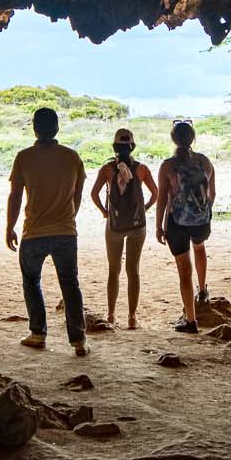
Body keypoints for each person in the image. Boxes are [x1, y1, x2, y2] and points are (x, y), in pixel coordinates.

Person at [5, 107, 88, 355]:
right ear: (57, 128)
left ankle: (38, 334)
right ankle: (78, 340)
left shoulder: (24, 157)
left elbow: (15, 195)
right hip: (65, 231)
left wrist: (9, 226)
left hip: (34, 232)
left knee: (31, 281)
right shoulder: (72, 157)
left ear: (34, 128)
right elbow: (77, 194)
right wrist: (68, 217)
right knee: (70, 284)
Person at [88, 128, 159, 329]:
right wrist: (143, 209)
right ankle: (132, 317)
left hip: (115, 225)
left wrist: (105, 212)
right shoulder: (142, 169)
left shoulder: (107, 169)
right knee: (133, 270)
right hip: (137, 226)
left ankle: (111, 314)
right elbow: (155, 193)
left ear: (114, 147)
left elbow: (94, 194)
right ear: (132, 146)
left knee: (114, 271)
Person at [154, 119, 216, 333]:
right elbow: (212, 194)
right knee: (199, 248)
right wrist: (203, 213)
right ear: (192, 138)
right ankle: (203, 289)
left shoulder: (167, 166)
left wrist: (159, 226)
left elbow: (162, 199)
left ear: (173, 139)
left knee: (184, 270)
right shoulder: (205, 162)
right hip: (201, 221)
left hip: (177, 222)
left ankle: (191, 320)